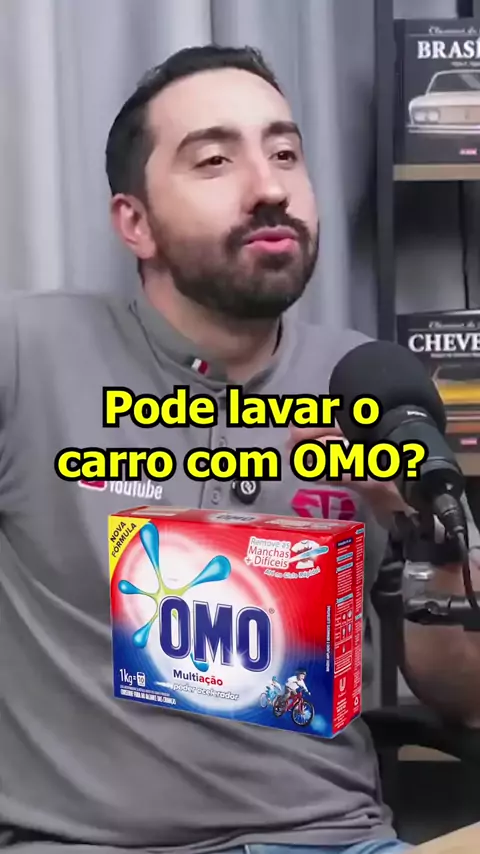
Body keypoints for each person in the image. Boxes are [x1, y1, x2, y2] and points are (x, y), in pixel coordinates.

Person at [1, 43, 480, 854]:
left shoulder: (366, 383)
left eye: (285, 154)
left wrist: (421, 534)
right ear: (135, 222)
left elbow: (466, 699)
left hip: (339, 839)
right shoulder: (26, 353)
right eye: (215, 160)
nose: (270, 188)